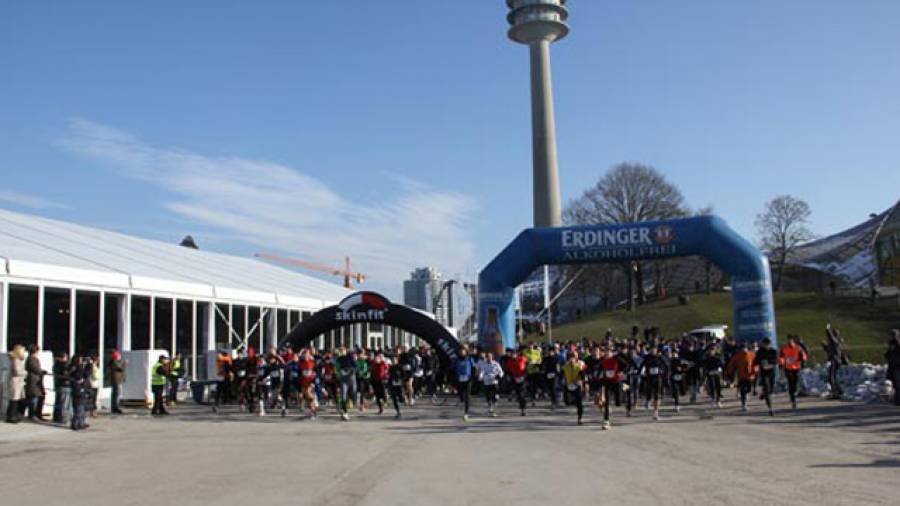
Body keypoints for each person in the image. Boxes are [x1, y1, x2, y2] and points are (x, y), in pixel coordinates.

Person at [725, 342, 756, 412]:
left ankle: (746, 395)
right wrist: (729, 372)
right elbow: (731, 364)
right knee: (743, 390)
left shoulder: (751, 354)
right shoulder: (737, 356)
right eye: (742, 348)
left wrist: (756, 370)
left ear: (747, 348)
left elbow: (756, 363)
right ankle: (744, 404)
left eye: (744, 348)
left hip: (750, 376)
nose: (743, 349)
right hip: (741, 376)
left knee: (748, 389)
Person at [779, 335, 807, 409]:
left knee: (795, 383)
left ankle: (793, 394)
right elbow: (781, 356)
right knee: (790, 383)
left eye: (790, 340)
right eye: (788, 340)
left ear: (793, 341)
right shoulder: (784, 348)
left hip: (796, 368)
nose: (789, 342)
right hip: (788, 368)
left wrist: (803, 361)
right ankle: (793, 399)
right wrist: (781, 364)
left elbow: (803, 355)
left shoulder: (798, 347)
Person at [597, 347, 622, 429]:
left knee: (618, 403)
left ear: (612, 353)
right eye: (606, 353)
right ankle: (606, 421)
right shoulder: (603, 361)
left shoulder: (616, 359)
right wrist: (597, 378)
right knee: (606, 402)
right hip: (607, 382)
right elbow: (599, 371)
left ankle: (625, 389)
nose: (607, 354)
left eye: (609, 353)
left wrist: (622, 372)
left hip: (616, 382)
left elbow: (627, 365)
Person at [641, 345, 668, 421]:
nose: (653, 351)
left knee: (657, 395)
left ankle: (656, 413)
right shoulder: (647, 357)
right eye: (651, 349)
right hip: (649, 378)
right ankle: (647, 401)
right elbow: (642, 365)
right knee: (649, 393)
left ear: (656, 350)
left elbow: (666, 366)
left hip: (658, 378)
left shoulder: (660, 357)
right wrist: (642, 372)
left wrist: (664, 374)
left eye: (654, 349)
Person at [753, 338, 778, 416]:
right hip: (764, 373)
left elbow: (776, 361)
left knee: (771, 389)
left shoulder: (773, 351)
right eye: (765, 344)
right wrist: (757, 366)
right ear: (763, 344)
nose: (766, 345)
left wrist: (770, 364)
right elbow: (755, 361)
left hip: (771, 372)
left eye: (768, 344)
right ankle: (770, 409)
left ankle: (763, 394)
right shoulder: (759, 352)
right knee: (767, 390)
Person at [561, 350, 586, 425]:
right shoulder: (565, 366)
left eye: (574, 357)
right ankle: (575, 403)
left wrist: (582, 382)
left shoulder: (580, 365)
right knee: (567, 402)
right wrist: (563, 381)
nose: (572, 359)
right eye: (570, 357)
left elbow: (583, 375)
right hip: (568, 385)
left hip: (577, 386)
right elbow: (562, 374)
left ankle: (580, 418)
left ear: (576, 358)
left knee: (580, 404)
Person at [822, 324, 846, 399]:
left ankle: (835, 392)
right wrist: (824, 346)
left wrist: (827, 329)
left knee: (831, 377)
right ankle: (838, 390)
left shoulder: (834, 341)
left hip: (835, 360)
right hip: (835, 360)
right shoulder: (834, 343)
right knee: (833, 377)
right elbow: (830, 351)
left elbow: (830, 336)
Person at [25, 344, 48, 421]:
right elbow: (35, 369)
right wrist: (41, 372)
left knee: (39, 397)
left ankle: (37, 414)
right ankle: (33, 414)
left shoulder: (32, 359)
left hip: (36, 381)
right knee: (34, 398)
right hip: (34, 382)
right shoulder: (31, 359)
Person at [452, 347, 475, 421]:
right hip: (460, 379)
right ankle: (462, 397)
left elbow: (474, 368)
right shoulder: (456, 360)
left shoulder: (469, 359)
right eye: (460, 351)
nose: (462, 352)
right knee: (461, 395)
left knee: (467, 395)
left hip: (468, 379)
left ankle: (466, 413)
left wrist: (472, 377)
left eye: (463, 351)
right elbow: (452, 369)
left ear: (466, 352)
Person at [5, 345, 26, 424]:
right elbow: (17, 371)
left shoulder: (15, 360)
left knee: (15, 400)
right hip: (15, 383)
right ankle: (11, 416)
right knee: (14, 400)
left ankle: (12, 415)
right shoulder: (16, 360)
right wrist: (25, 373)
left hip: (16, 382)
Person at [478, 352, 504, 417]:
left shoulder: (496, 364)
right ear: (486, 358)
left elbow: (501, 371)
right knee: (488, 396)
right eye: (488, 357)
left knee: (494, 395)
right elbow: (482, 372)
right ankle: (490, 407)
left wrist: (499, 376)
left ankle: (494, 409)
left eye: (490, 357)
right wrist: (480, 377)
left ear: (492, 357)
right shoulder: (484, 364)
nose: (489, 358)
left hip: (494, 381)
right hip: (486, 382)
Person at [68, 355, 90, 430]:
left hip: (79, 389)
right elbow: (83, 375)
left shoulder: (74, 368)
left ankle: (81, 422)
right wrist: (87, 366)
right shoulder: (76, 368)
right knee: (79, 407)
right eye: (80, 360)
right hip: (78, 389)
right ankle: (75, 423)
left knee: (81, 407)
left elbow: (85, 375)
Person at [336, 348, 358, 421]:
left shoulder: (351, 357)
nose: (341, 352)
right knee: (343, 396)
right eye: (340, 351)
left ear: (346, 351)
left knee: (353, 394)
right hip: (343, 380)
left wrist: (349, 371)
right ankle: (345, 412)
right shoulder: (338, 359)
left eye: (343, 351)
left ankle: (351, 400)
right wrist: (339, 372)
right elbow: (336, 368)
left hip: (351, 379)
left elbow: (355, 367)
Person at [508, 348, 529, 416]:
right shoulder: (510, 361)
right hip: (515, 380)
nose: (513, 355)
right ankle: (522, 408)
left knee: (521, 395)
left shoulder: (522, 359)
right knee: (519, 396)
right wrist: (511, 377)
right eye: (512, 354)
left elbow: (527, 367)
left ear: (517, 354)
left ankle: (523, 410)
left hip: (523, 379)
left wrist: (525, 375)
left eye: (514, 354)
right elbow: (508, 371)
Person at [299, 349, 318, 419]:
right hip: (303, 382)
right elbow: (300, 373)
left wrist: (314, 381)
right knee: (306, 397)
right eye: (305, 354)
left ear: (309, 355)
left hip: (311, 382)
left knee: (308, 393)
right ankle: (313, 410)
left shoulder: (313, 362)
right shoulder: (301, 363)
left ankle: (313, 411)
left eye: (307, 354)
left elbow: (317, 372)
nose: (306, 355)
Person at [52, 352, 72, 423]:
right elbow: (65, 374)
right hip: (64, 385)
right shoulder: (62, 365)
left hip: (59, 385)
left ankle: (57, 417)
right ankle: (63, 418)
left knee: (59, 401)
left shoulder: (56, 364)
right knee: (64, 403)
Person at [108, 350, 126, 415]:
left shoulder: (114, 362)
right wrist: (124, 364)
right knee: (116, 394)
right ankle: (115, 407)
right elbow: (120, 368)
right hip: (116, 381)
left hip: (117, 380)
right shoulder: (114, 362)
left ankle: (115, 407)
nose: (120, 357)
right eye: (119, 356)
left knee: (116, 394)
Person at [885, 330, 900, 406]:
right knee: (895, 383)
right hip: (893, 365)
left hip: (897, 366)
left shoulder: (897, 343)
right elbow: (888, 354)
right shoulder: (892, 343)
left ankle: (898, 400)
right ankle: (897, 399)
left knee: (897, 384)